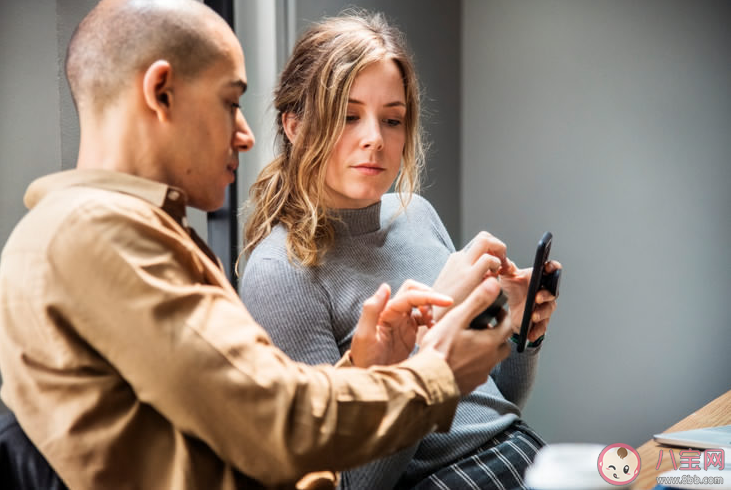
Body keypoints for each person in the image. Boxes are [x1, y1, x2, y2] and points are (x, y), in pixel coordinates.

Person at [0, 1, 520, 489]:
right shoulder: (96, 234)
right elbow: (275, 422)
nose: (247, 134)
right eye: (230, 102)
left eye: (392, 118)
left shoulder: (125, 229)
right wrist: (433, 371)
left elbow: (242, 405)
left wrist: (362, 368)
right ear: (160, 92)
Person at [241, 12, 561, 490]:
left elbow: (492, 411)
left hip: (525, 454)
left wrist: (516, 334)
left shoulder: (417, 215)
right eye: (348, 116)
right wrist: (438, 317)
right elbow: (349, 483)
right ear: (294, 125)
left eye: (392, 119)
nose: (375, 138)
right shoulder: (280, 272)